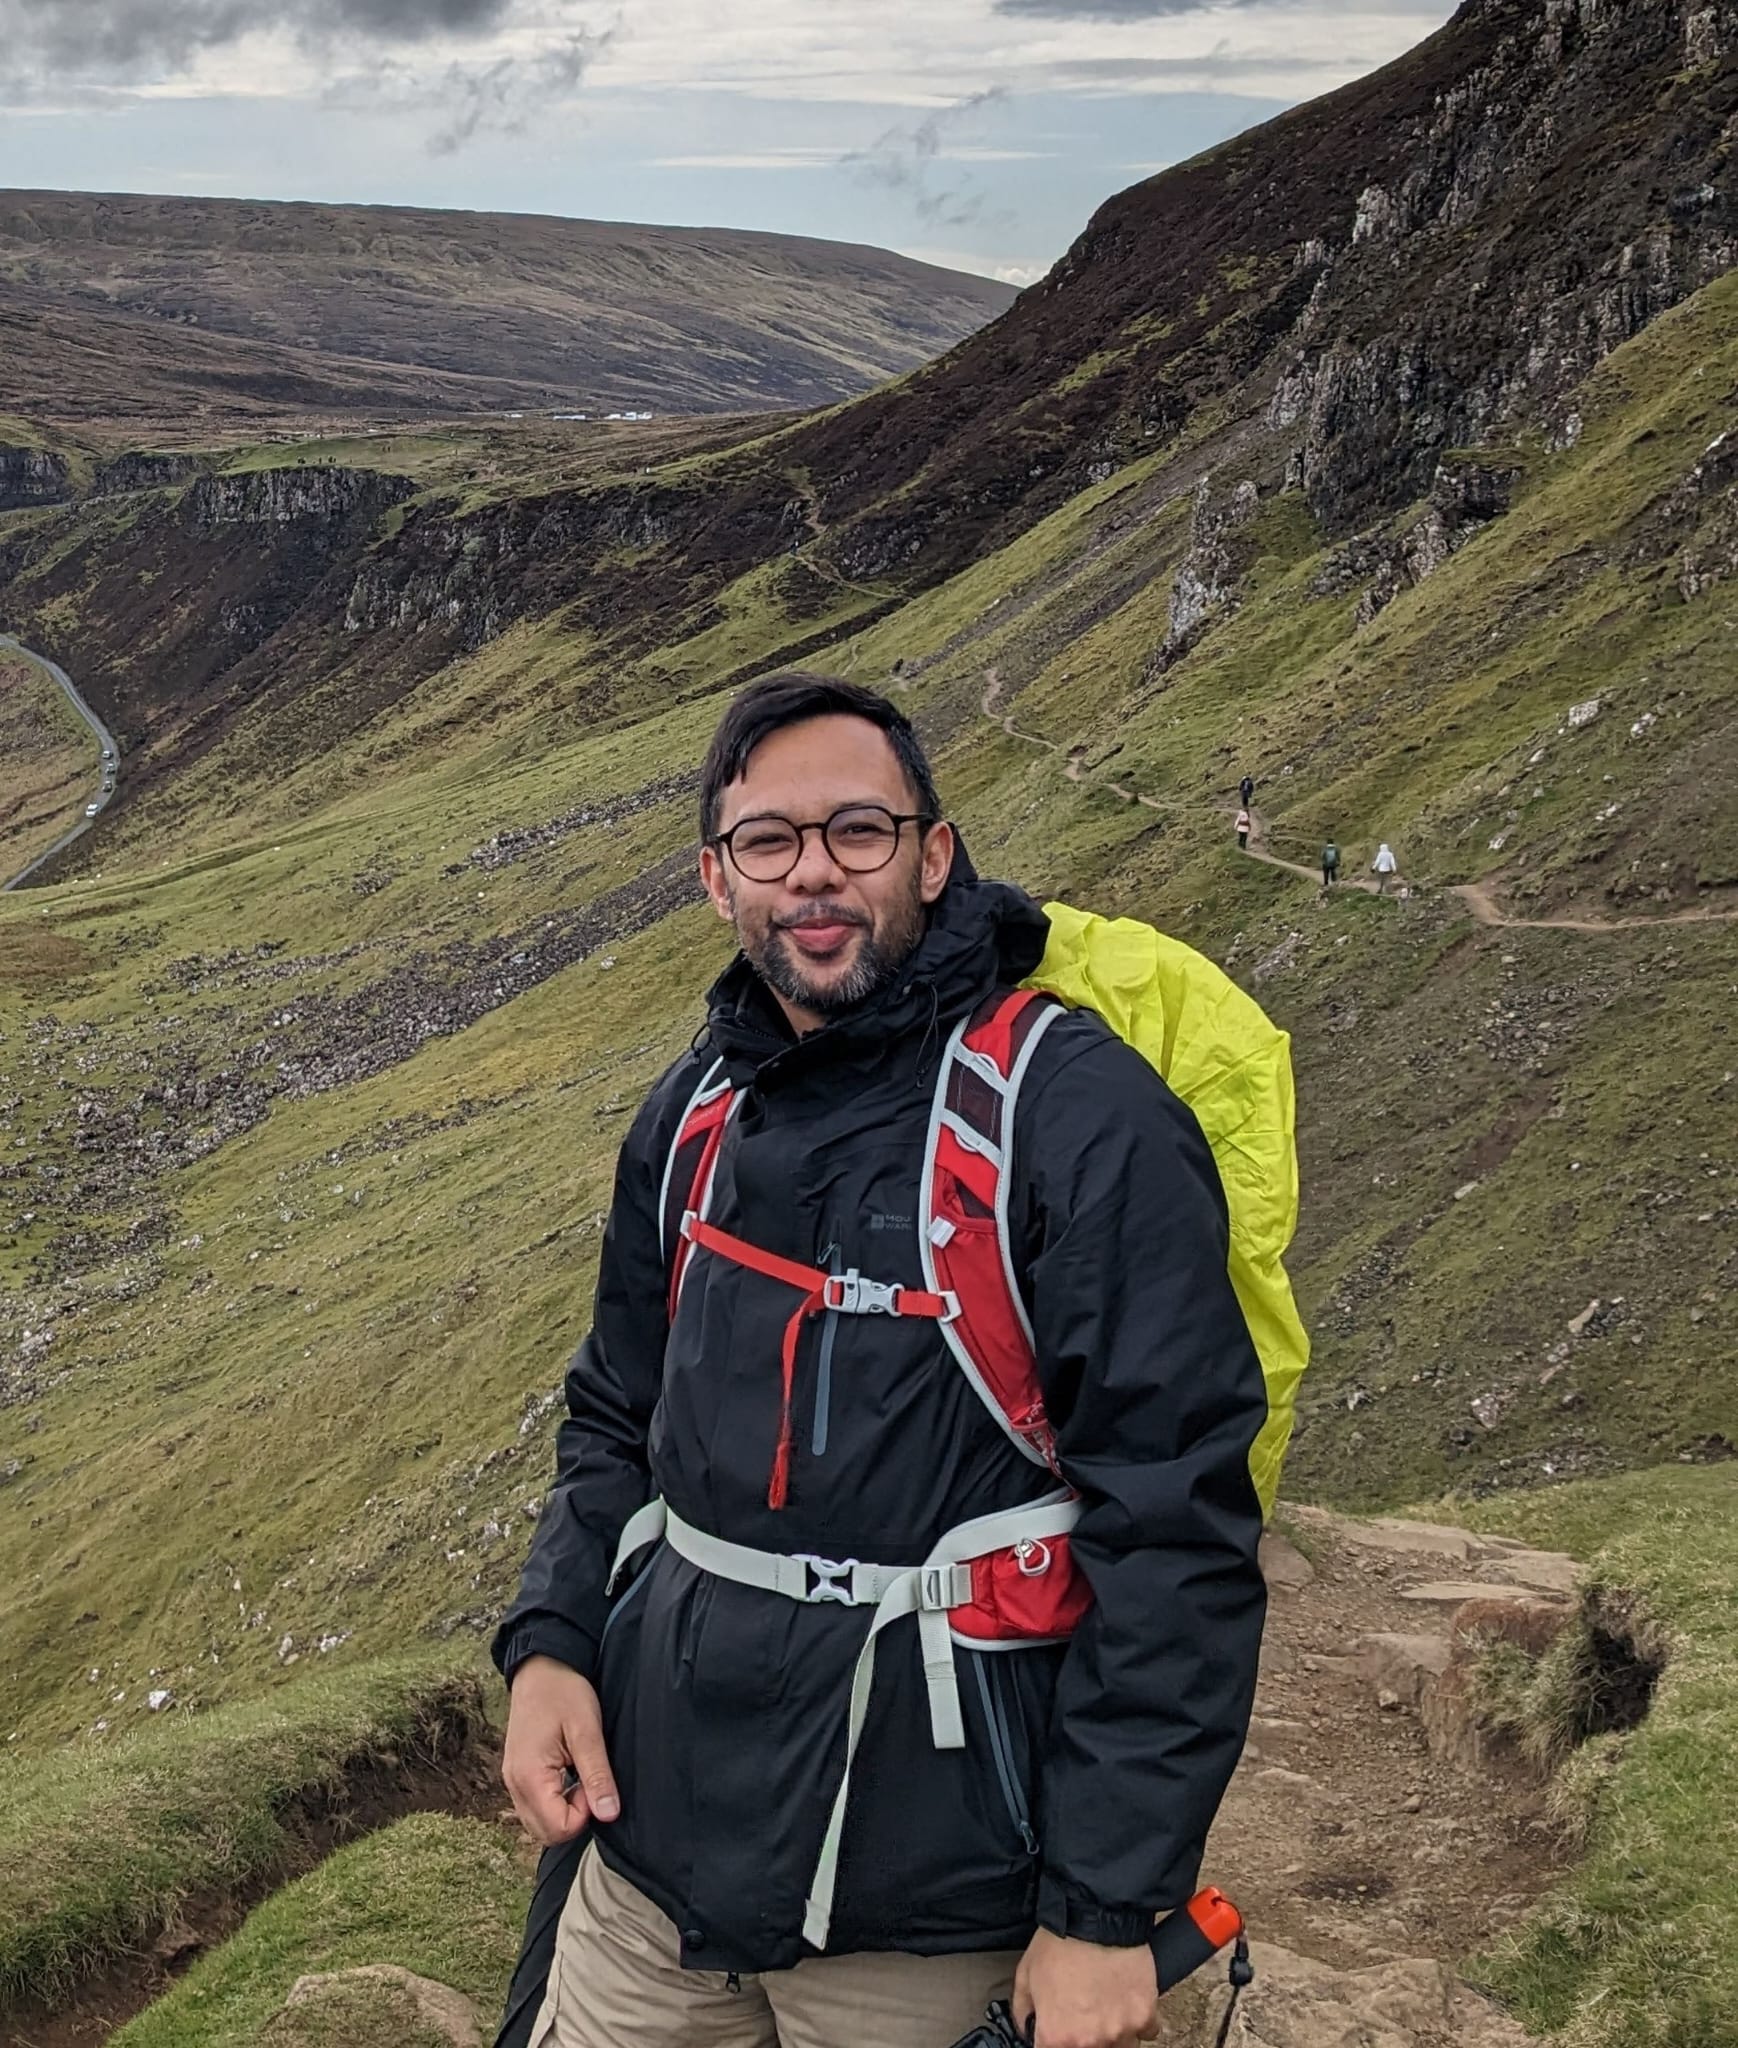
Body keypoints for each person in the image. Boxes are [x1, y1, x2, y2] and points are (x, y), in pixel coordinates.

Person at [492, 674, 1267, 2048]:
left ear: (933, 853)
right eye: (768, 841)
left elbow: (1174, 1531)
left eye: (858, 830)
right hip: (650, 1863)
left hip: (936, 1914)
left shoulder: (1079, 1121)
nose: (814, 874)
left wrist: (1100, 1912)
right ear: (716, 879)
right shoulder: (696, 1110)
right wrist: (550, 1644)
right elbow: (615, 1411)